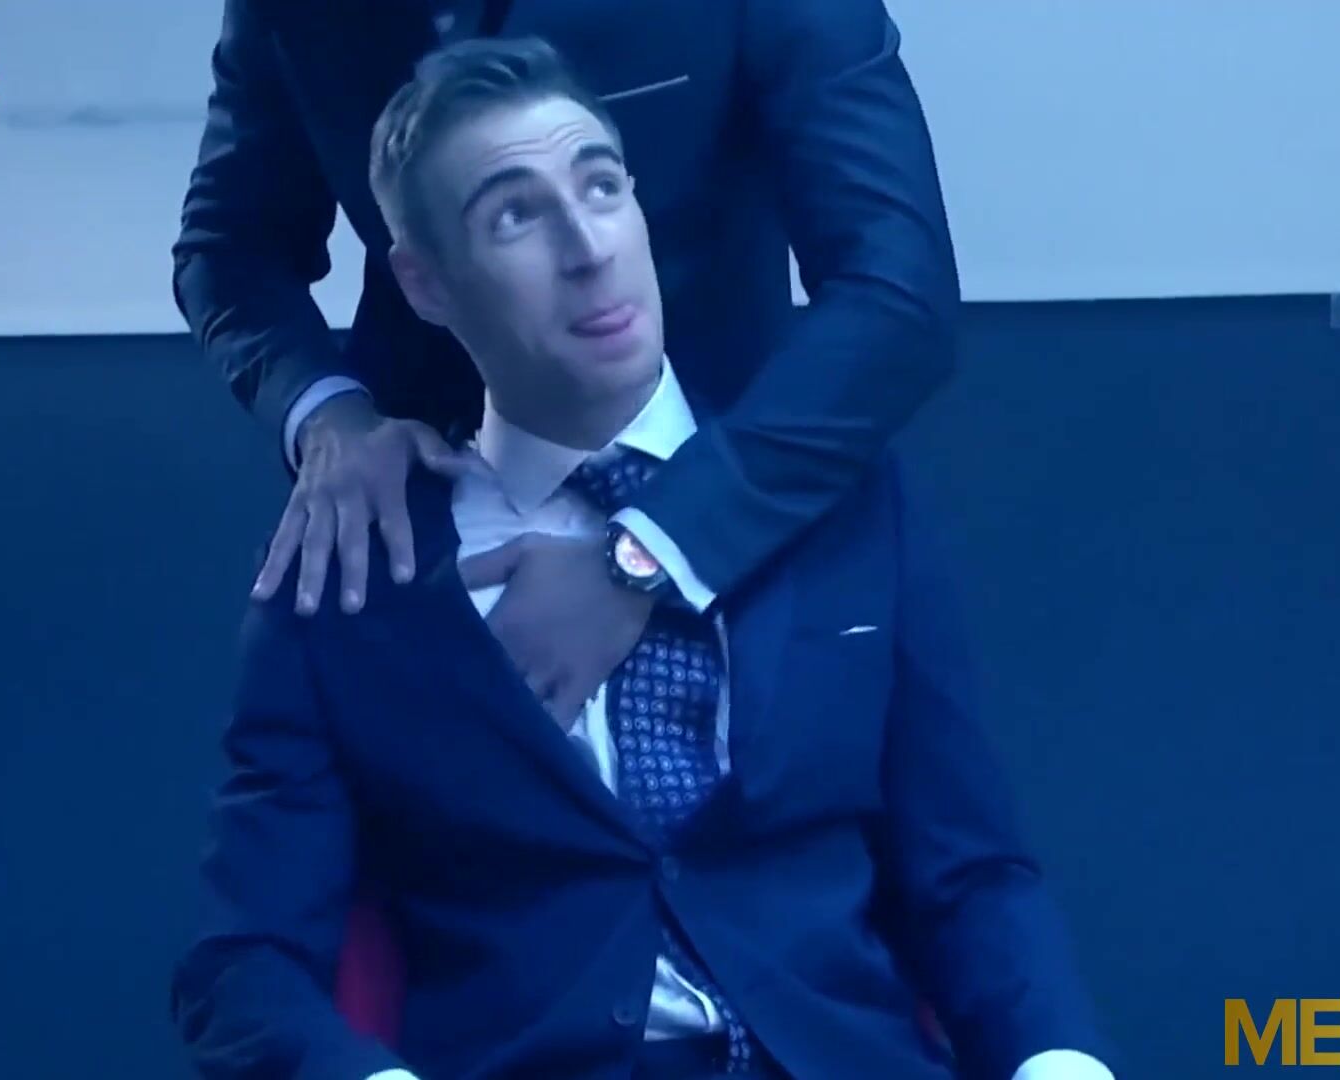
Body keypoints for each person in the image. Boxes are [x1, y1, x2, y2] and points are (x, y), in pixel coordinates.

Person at [171, 38, 1115, 1080]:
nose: (588, 248)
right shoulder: (355, 579)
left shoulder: (848, 513)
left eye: (603, 187)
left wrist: (1060, 1064)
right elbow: (243, 969)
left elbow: (972, 878)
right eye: (515, 216)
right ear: (426, 285)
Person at [173, 0, 963, 727]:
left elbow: (897, 290)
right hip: (426, 535)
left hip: (744, 506)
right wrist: (329, 417)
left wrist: (657, 547)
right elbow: (230, 246)